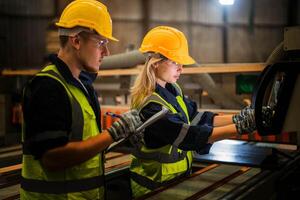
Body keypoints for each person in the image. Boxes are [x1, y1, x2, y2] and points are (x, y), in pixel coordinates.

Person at [20, 1, 142, 199]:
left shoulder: (82, 86)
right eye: (101, 43)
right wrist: (112, 134)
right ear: (76, 41)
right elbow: (53, 157)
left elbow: (85, 142)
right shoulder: (48, 86)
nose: (107, 52)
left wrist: (123, 137)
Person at [129, 26, 257, 198]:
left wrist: (238, 117)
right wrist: (240, 128)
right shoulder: (150, 105)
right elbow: (188, 136)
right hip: (153, 188)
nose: (181, 68)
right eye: (175, 62)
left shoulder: (173, 90)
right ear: (155, 62)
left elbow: (198, 118)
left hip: (174, 183)